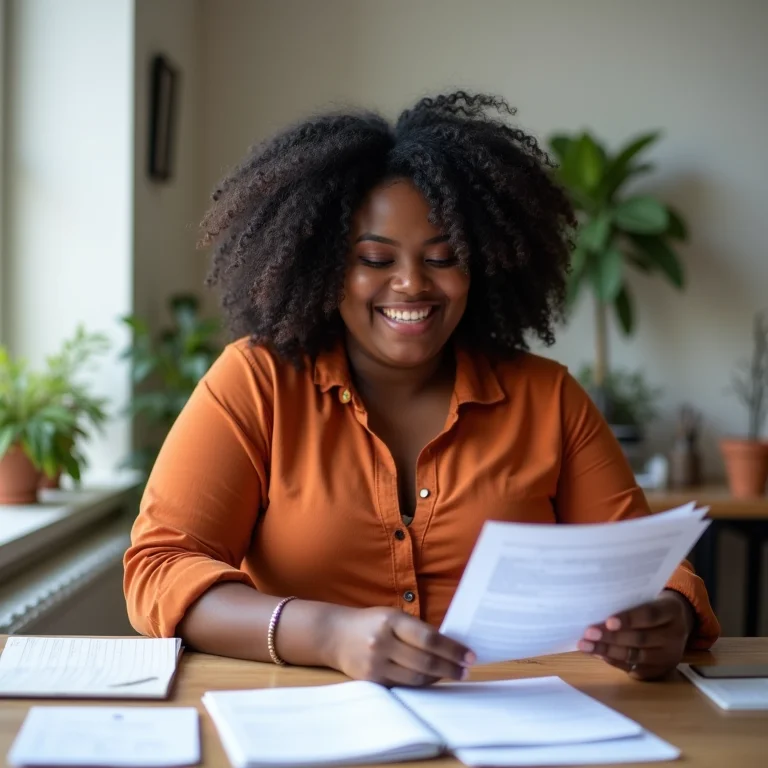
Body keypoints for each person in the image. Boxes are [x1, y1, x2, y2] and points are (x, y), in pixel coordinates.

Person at [123, 92, 719, 687]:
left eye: (443, 257)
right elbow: (158, 567)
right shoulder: (256, 383)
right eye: (375, 260)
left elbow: (648, 571)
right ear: (323, 265)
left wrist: (666, 617)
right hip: (306, 724)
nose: (411, 284)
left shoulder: (549, 399)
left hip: (518, 726)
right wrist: (328, 634)